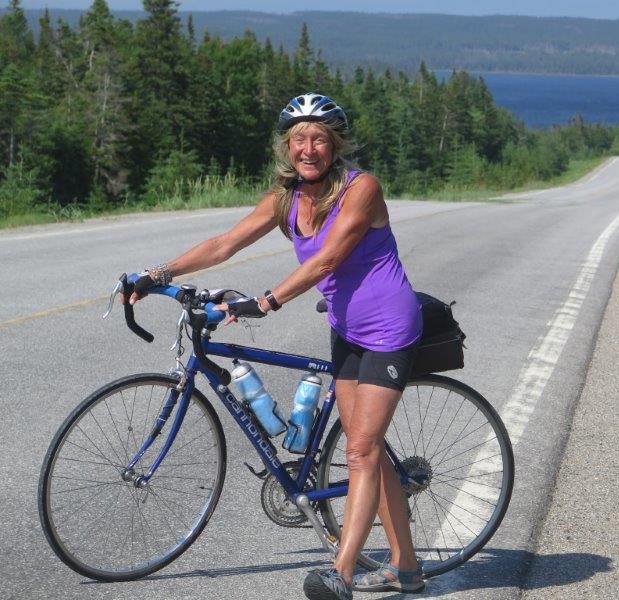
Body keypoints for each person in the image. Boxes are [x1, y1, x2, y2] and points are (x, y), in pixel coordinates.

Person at [128, 93, 425, 600]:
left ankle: (342, 573)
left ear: (335, 145)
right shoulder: (286, 196)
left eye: (319, 139)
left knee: (359, 449)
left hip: (388, 328)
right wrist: (160, 273)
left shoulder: (362, 189)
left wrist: (266, 301)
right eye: (299, 140)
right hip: (347, 328)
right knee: (365, 451)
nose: (308, 149)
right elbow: (227, 242)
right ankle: (408, 569)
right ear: (287, 147)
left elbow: (326, 261)